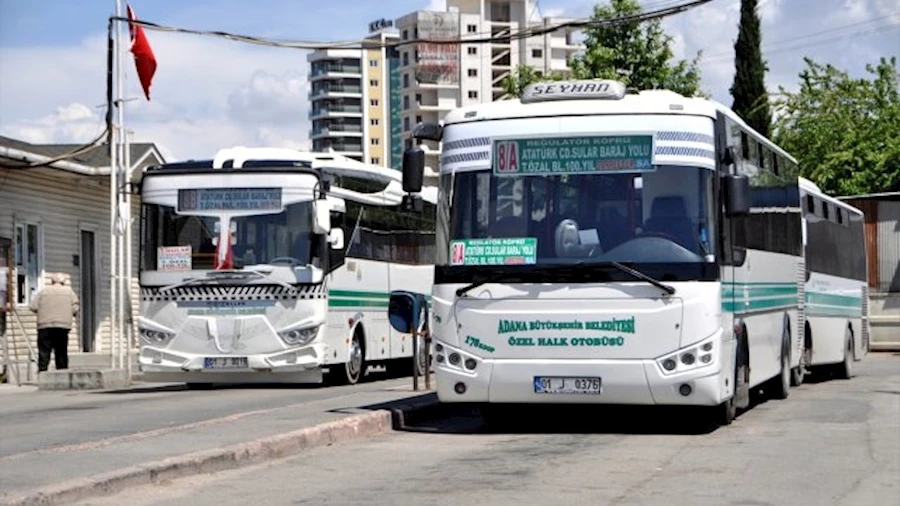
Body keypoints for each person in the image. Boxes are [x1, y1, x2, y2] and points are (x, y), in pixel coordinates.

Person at [29, 272, 79, 372]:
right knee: (61, 352)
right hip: (62, 326)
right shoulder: (69, 292)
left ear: (52, 281)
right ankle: (62, 374)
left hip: (44, 325)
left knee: (44, 352)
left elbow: (33, 306)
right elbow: (75, 308)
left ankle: (42, 374)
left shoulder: (43, 291)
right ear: (63, 282)